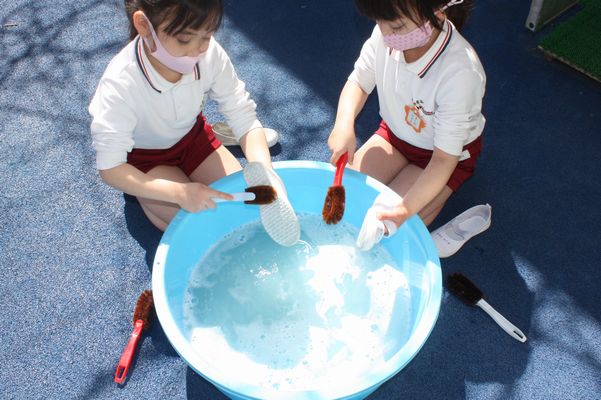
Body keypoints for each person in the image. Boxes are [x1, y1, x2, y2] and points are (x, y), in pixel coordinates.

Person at [89, 0, 278, 231]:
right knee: (202, 227)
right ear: (144, 25)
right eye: (184, 39)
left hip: (195, 141)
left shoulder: (209, 54)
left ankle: (160, 204)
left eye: (207, 36)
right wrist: (177, 193)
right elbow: (111, 168)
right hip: (146, 161)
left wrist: (265, 173)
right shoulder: (120, 85)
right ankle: (148, 199)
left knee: (243, 213)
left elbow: (243, 115)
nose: (198, 49)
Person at [327, 0, 487, 251]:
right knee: (343, 204)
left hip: (443, 157)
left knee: (383, 234)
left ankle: (430, 202)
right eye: (378, 22)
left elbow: (444, 159)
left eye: (397, 26)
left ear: (435, 10)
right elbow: (358, 82)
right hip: (394, 136)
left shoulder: (461, 73)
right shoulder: (385, 31)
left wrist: (404, 210)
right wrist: (344, 124)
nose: (386, 34)